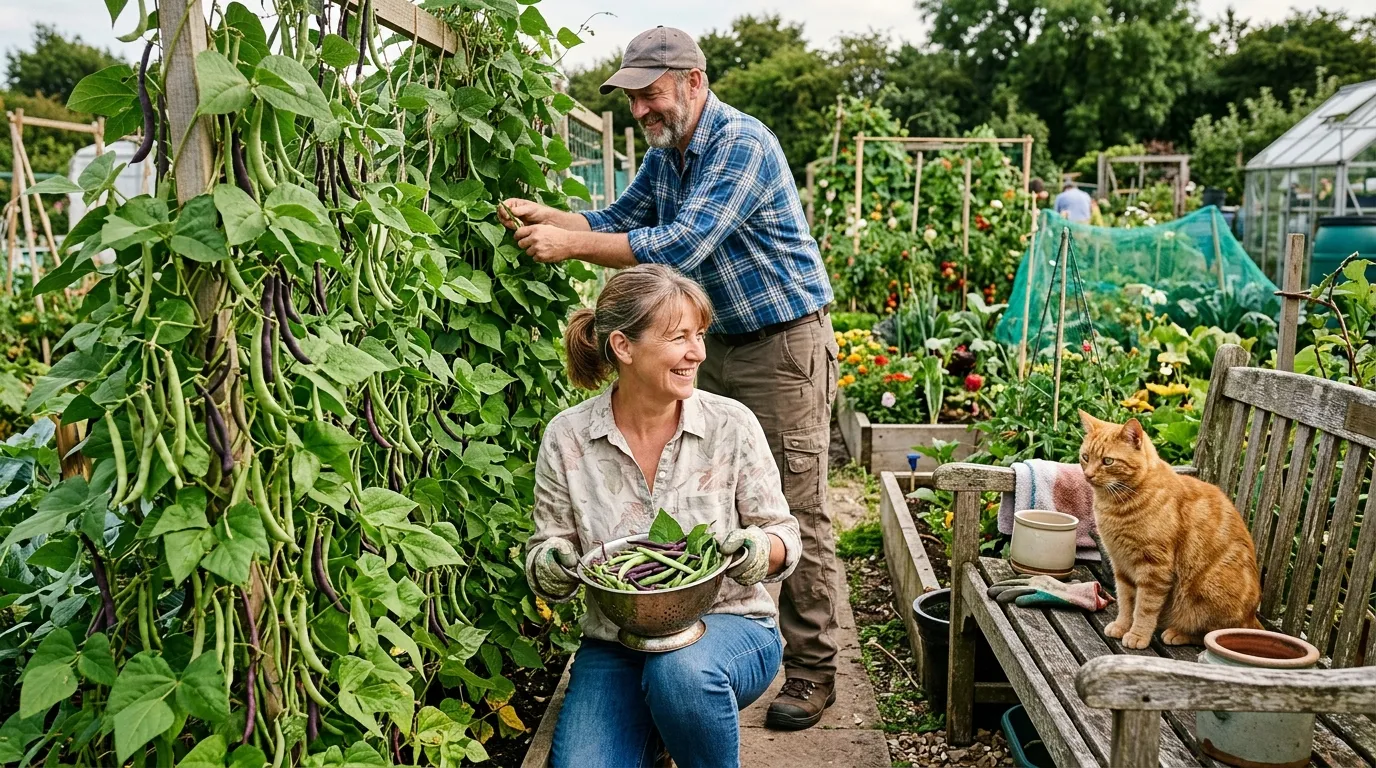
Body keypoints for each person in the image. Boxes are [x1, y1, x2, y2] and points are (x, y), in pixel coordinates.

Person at [500, 26, 842, 729]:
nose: (640, 111)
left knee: (794, 504)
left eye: (649, 95)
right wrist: (552, 217)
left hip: (782, 344)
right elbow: (621, 220)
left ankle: (811, 669)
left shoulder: (740, 144)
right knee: (700, 488)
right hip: (709, 344)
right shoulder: (672, 155)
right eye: (631, 100)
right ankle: (689, 641)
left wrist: (569, 247)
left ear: (693, 79)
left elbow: (681, 243)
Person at [526, 264, 802, 767]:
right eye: (679, 338)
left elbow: (783, 533)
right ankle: (663, 727)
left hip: (730, 629)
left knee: (680, 674)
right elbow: (548, 546)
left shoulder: (730, 425)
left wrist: (761, 549)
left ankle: (682, 725)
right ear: (623, 347)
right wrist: (551, 561)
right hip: (617, 644)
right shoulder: (567, 437)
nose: (697, 352)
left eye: (698, 335)